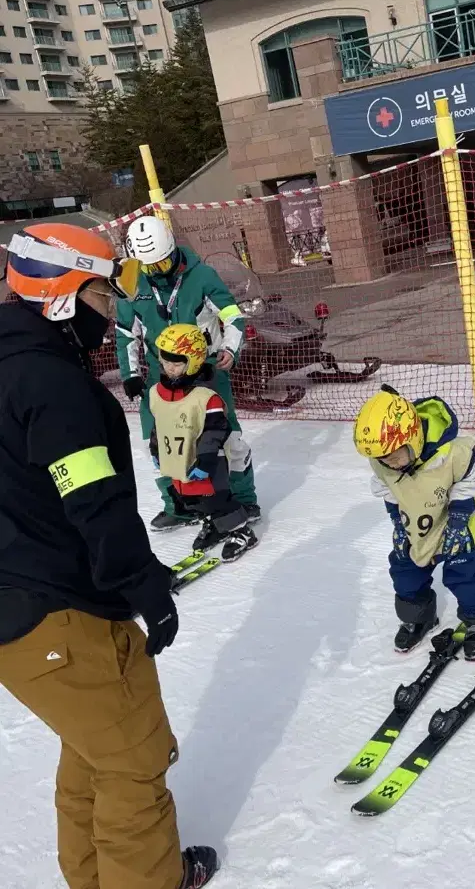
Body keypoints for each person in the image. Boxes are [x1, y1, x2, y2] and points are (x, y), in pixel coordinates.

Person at [0, 223, 217, 888]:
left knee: (93, 751)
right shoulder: (48, 381)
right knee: (131, 761)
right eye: (105, 291)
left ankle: (96, 878)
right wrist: (143, 584)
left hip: (26, 610)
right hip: (54, 608)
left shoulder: (13, 362)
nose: (114, 308)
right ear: (62, 293)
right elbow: (92, 498)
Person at [116, 215, 259, 531]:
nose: (156, 271)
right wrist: (130, 374)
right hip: (159, 378)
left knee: (231, 440)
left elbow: (233, 317)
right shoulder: (134, 283)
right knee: (155, 446)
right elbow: (126, 333)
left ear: (172, 250)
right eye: (148, 267)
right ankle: (178, 507)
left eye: (161, 263)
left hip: (206, 373)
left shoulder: (202, 276)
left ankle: (245, 499)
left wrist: (230, 349)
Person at [353, 385, 475, 661]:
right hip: (415, 528)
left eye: (395, 456)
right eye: (382, 459)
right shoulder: (384, 462)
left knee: (463, 572)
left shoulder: (452, 453)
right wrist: (397, 522)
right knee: (405, 571)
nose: (390, 464)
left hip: (454, 524)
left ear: (413, 439)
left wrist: (459, 517)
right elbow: (386, 488)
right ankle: (418, 618)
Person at [149, 323, 258, 561]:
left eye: (176, 364)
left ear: (194, 362)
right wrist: (156, 448)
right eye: (166, 362)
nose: (170, 369)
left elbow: (213, 432)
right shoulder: (157, 393)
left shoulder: (206, 398)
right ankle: (214, 525)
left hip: (205, 463)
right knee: (191, 500)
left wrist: (205, 461)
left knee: (216, 499)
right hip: (179, 461)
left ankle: (242, 532)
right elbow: (160, 423)